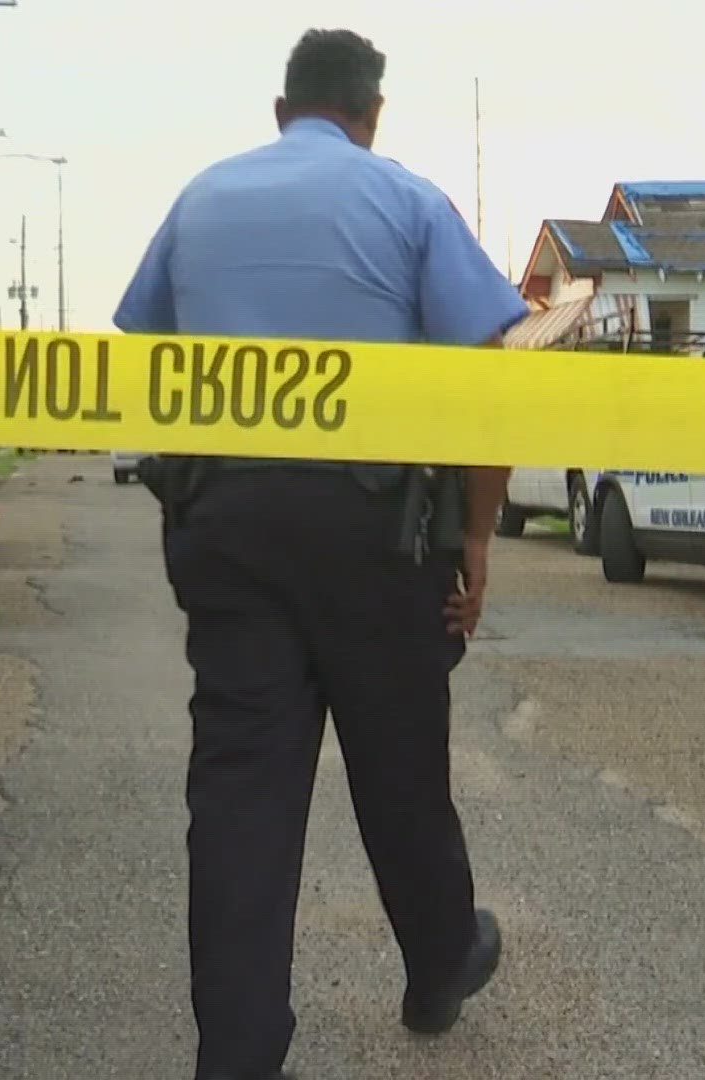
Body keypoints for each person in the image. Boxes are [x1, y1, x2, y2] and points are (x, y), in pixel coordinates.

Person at [112, 29, 531, 1080]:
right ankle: (439, 966)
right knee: (400, 766)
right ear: (372, 111)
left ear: (279, 109)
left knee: (243, 793)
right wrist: (477, 535)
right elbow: (488, 374)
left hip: (228, 530)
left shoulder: (200, 201)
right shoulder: (408, 202)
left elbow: (146, 353)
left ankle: (239, 1054)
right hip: (375, 535)